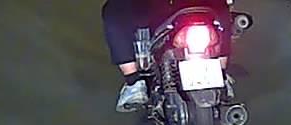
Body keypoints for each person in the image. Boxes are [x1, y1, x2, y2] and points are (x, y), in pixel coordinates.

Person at [101, 0, 236, 113]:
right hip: (197, 6)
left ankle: (134, 82)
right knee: (221, 9)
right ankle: (221, 74)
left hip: (155, 9)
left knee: (113, 11)